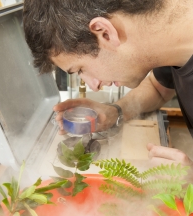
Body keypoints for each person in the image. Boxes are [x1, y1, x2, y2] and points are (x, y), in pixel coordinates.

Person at [23, 0, 193, 168]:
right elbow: (159, 89)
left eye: (81, 69)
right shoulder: (168, 47)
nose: (93, 86)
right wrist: (115, 112)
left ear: (105, 33)